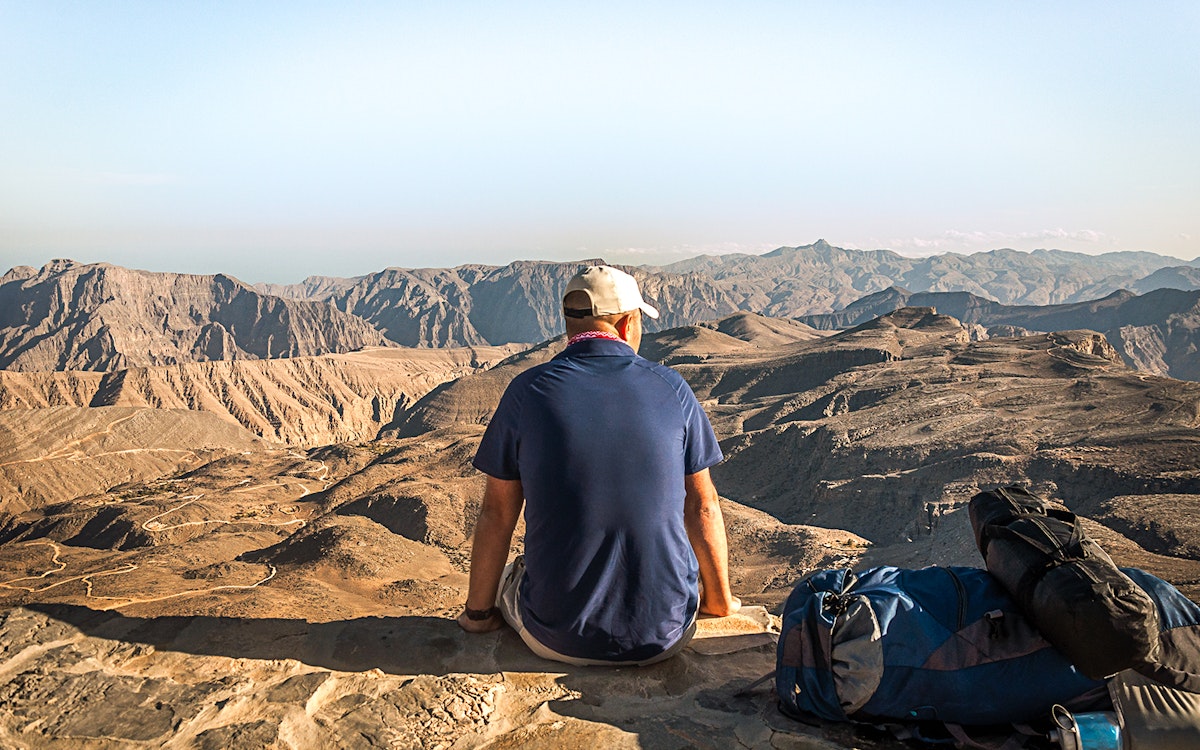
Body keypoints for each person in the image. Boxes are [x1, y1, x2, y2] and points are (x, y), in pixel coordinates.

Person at [457, 264, 739, 666]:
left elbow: (497, 513)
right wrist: (719, 602)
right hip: (665, 635)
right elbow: (703, 506)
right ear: (626, 324)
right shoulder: (672, 388)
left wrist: (478, 616)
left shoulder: (527, 392)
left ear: (570, 325)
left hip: (555, 638)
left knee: (511, 578)